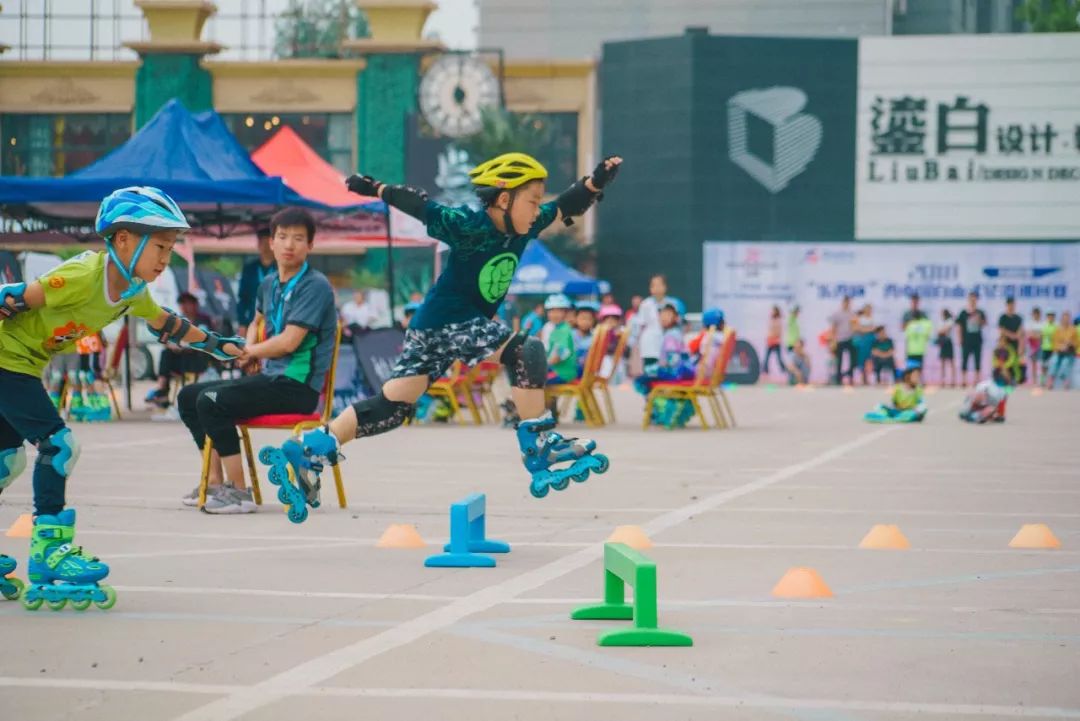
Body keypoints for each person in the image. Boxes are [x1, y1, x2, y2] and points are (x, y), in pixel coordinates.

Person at [259, 152, 622, 516]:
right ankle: (538, 444)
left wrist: (595, 183)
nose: (536, 209)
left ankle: (311, 445)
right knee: (526, 351)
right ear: (503, 198)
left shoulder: (525, 225)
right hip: (451, 321)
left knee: (391, 408)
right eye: (531, 200)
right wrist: (377, 188)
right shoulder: (469, 223)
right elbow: (423, 207)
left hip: (431, 328)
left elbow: (563, 207)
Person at [0, 186, 243, 609]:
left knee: (8, 461)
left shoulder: (132, 292)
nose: (166, 259)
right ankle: (50, 552)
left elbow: (167, 324)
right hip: (6, 362)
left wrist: (217, 345)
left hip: (21, 366)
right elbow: (14, 297)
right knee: (59, 447)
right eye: (160, 247)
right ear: (124, 239)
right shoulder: (82, 275)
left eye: (170, 248)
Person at [176, 207, 338, 514]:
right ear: (271, 243)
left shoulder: (314, 285)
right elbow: (256, 321)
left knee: (212, 401)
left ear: (310, 246)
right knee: (188, 396)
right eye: (282, 237)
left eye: (298, 238)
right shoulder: (269, 283)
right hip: (270, 378)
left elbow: (290, 341)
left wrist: (252, 353)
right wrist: (248, 350)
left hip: (297, 387)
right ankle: (213, 482)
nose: (289, 244)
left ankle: (240, 493)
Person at [145, 292, 213, 409]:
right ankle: (162, 389)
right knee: (166, 353)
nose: (185, 307)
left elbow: (203, 340)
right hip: (180, 358)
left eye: (187, 303)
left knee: (175, 355)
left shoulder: (203, 320)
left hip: (197, 359)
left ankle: (162, 391)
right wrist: (171, 345)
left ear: (195, 304)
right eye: (182, 304)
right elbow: (167, 338)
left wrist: (182, 345)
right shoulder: (178, 320)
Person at [236, 226, 275, 336]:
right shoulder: (250, 269)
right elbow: (242, 298)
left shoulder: (281, 268)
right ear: (258, 245)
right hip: (253, 321)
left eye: (268, 243)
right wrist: (242, 323)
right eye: (262, 243)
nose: (266, 247)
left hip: (276, 322)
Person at [629, 274, 669, 377]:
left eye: (660, 285)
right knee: (650, 369)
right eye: (653, 285)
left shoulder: (670, 304)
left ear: (665, 287)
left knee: (664, 369)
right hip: (649, 342)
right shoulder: (646, 304)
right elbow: (640, 324)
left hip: (665, 342)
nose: (657, 288)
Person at [543, 293, 577, 384]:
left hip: (562, 373)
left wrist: (544, 364)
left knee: (532, 380)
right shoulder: (555, 328)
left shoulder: (563, 330)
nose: (555, 315)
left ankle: (541, 398)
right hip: (558, 370)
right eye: (552, 311)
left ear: (566, 313)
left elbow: (560, 354)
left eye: (559, 311)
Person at [955, 292, 986, 387]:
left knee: (977, 360)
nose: (973, 301)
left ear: (976, 300)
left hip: (977, 340)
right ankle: (964, 380)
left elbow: (984, 324)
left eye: (974, 299)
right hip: (966, 340)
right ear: (968, 300)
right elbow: (959, 326)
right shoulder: (963, 312)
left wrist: (979, 320)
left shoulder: (980, 312)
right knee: (964, 360)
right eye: (971, 299)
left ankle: (977, 380)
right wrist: (959, 338)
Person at [828, 295, 857, 385]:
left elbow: (854, 326)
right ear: (842, 303)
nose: (846, 304)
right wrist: (833, 340)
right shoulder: (837, 314)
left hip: (850, 339)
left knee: (854, 360)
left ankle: (850, 377)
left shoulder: (852, 314)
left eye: (848, 302)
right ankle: (838, 379)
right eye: (845, 302)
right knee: (839, 361)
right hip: (840, 339)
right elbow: (833, 328)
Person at [1045, 311, 1077, 390]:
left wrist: (1070, 343)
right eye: (1064, 319)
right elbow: (1054, 343)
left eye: (1067, 319)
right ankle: (1050, 381)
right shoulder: (1057, 330)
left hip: (1069, 353)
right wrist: (1060, 347)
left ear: (1069, 320)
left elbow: (1077, 343)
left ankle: (1065, 381)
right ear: (1061, 320)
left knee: (1065, 363)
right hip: (1059, 352)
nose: (1065, 320)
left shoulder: (1073, 330)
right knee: (1054, 361)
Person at [997, 296, 1025, 383]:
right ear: (1006, 305)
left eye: (1012, 304)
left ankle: (1016, 380)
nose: (1011, 306)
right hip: (1005, 345)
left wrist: (1020, 345)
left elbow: (1021, 331)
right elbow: (1001, 330)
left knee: (1016, 363)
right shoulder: (1003, 317)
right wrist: (1011, 335)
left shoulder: (1018, 318)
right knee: (1004, 363)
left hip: (1016, 344)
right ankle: (1004, 379)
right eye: (1009, 304)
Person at [573, 299, 599, 373]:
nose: (585, 322)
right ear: (576, 319)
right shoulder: (571, 334)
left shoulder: (595, 337)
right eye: (583, 318)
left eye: (589, 319)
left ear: (593, 321)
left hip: (586, 371)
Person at [853, 304, 877, 385]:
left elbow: (873, 329)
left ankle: (871, 378)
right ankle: (863, 378)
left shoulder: (872, 319)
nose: (869, 311)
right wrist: (868, 329)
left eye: (870, 309)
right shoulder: (860, 319)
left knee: (870, 360)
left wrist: (865, 329)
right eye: (867, 309)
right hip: (863, 342)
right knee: (862, 360)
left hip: (871, 341)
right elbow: (858, 329)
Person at [936, 309, 957, 387]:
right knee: (942, 362)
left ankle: (953, 380)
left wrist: (942, 330)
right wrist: (941, 330)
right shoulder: (941, 321)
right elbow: (938, 331)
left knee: (951, 362)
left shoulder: (950, 320)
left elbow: (945, 330)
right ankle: (942, 380)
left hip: (948, 342)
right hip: (943, 342)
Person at [762, 305, 783, 378]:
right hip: (770, 341)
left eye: (773, 310)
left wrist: (773, 335)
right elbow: (770, 331)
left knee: (779, 359)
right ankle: (765, 373)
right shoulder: (771, 320)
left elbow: (778, 332)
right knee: (766, 359)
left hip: (776, 342)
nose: (772, 312)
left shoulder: (778, 320)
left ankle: (786, 372)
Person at [1040, 310, 1058, 382]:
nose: (1050, 317)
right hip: (1045, 349)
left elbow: (1057, 339)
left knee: (1052, 366)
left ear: (1054, 317)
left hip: (1053, 349)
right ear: (1047, 317)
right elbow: (1041, 337)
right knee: (1044, 366)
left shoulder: (1056, 327)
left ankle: (1050, 382)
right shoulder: (1044, 326)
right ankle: (1042, 381)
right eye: (1049, 316)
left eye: (1052, 316)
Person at [1026, 307, 1043, 385]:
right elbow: (1029, 335)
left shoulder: (1043, 323)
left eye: (1037, 314)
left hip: (1041, 346)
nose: (1036, 316)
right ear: (1033, 315)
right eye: (1034, 314)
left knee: (1042, 364)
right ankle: (1034, 381)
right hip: (1032, 347)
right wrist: (1036, 335)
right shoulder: (1030, 323)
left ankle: (1042, 380)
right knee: (1033, 364)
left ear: (1040, 315)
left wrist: (1036, 335)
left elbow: (1042, 335)